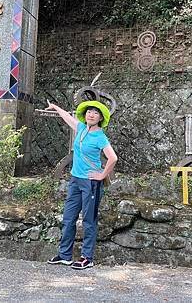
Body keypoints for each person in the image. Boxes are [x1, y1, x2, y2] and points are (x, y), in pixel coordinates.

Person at [46, 99, 118, 270]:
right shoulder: (81, 128)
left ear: (100, 117)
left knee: (88, 220)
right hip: (75, 180)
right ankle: (64, 255)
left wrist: (101, 176)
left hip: (91, 183)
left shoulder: (100, 136)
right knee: (68, 218)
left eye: (95, 113)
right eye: (88, 112)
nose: (91, 115)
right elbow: (66, 117)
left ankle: (87, 257)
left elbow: (113, 158)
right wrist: (55, 107)